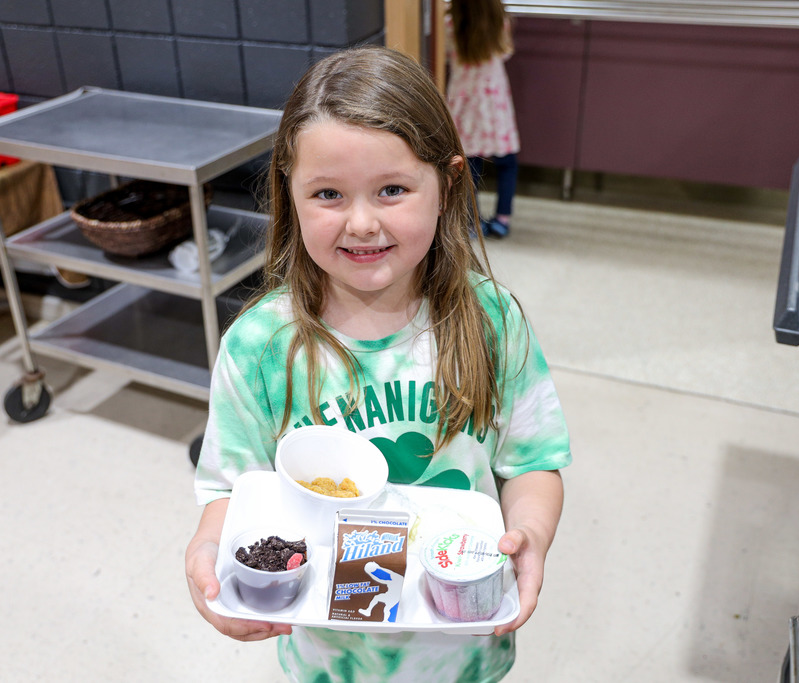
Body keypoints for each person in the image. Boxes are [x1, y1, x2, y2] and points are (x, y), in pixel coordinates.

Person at [185, 46, 571, 683]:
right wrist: (207, 551)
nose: (362, 223)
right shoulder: (259, 346)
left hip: (463, 648)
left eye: (392, 189)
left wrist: (529, 531)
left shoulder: (492, 321)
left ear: (446, 185)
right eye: (328, 194)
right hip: (326, 661)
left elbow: (533, 463)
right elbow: (233, 490)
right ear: (290, 191)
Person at [446, 0, 520, 239]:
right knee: (507, 161)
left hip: (463, 98)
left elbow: (448, 54)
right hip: (493, 101)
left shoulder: (451, 23)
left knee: (469, 164)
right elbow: (505, 51)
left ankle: (471, 222)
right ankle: (502, 219)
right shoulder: (500, 22)